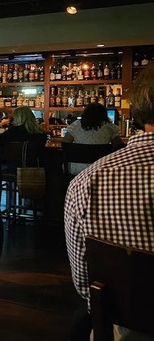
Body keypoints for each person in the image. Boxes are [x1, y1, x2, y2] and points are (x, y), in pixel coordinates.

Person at [64, 64, 154, 341]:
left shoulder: (87, 182)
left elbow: (84, 285)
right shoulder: (111, 127)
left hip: (126, 326)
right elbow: (117, 143)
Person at [62, 102, 124, 175]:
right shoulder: (110, 128)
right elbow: (119, 147)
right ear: (104, 114)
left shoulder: (75, 126)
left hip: (76, 169)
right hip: (101, 169)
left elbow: (66, 143)